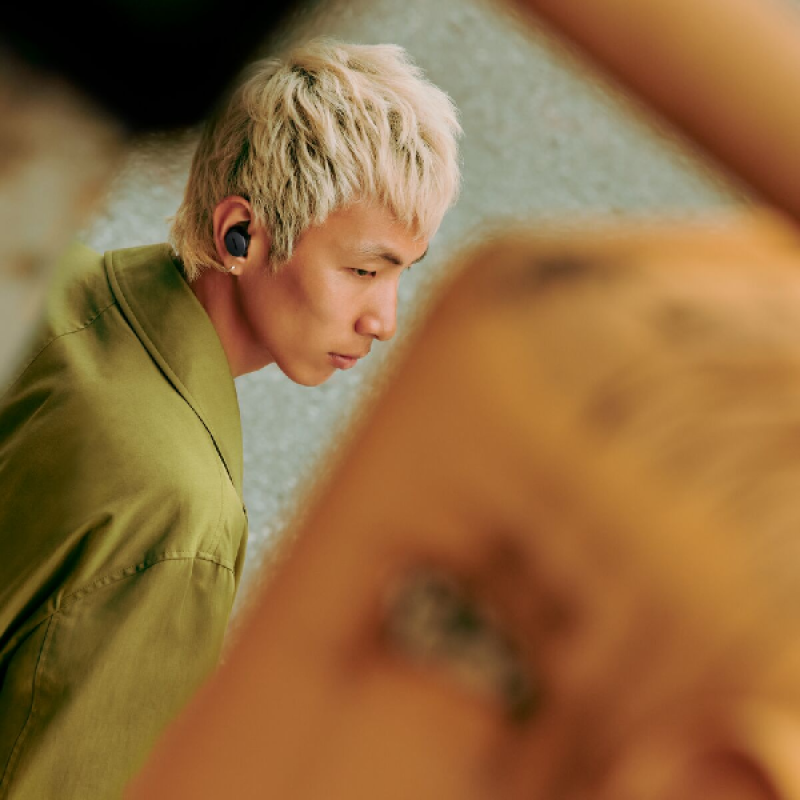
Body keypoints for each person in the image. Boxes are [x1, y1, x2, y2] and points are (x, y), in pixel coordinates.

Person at [0, 37, 462, 799]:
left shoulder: (40, 276)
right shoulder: (181, 519)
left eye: (400, 275)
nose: (383, 319)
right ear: (239, 234)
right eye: (362, 271)